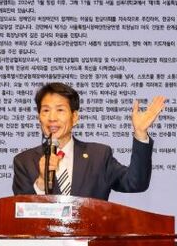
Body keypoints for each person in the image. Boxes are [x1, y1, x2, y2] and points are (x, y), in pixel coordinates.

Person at [12, 82, 166, 200]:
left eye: (60, 110)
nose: (52, 118)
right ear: (39, 117)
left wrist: (140, 133)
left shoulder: (99, 155)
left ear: (74, 117)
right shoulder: (24, 161)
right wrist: (41, 182)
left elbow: (135, 183)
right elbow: (20, 213)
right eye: (45, 110)